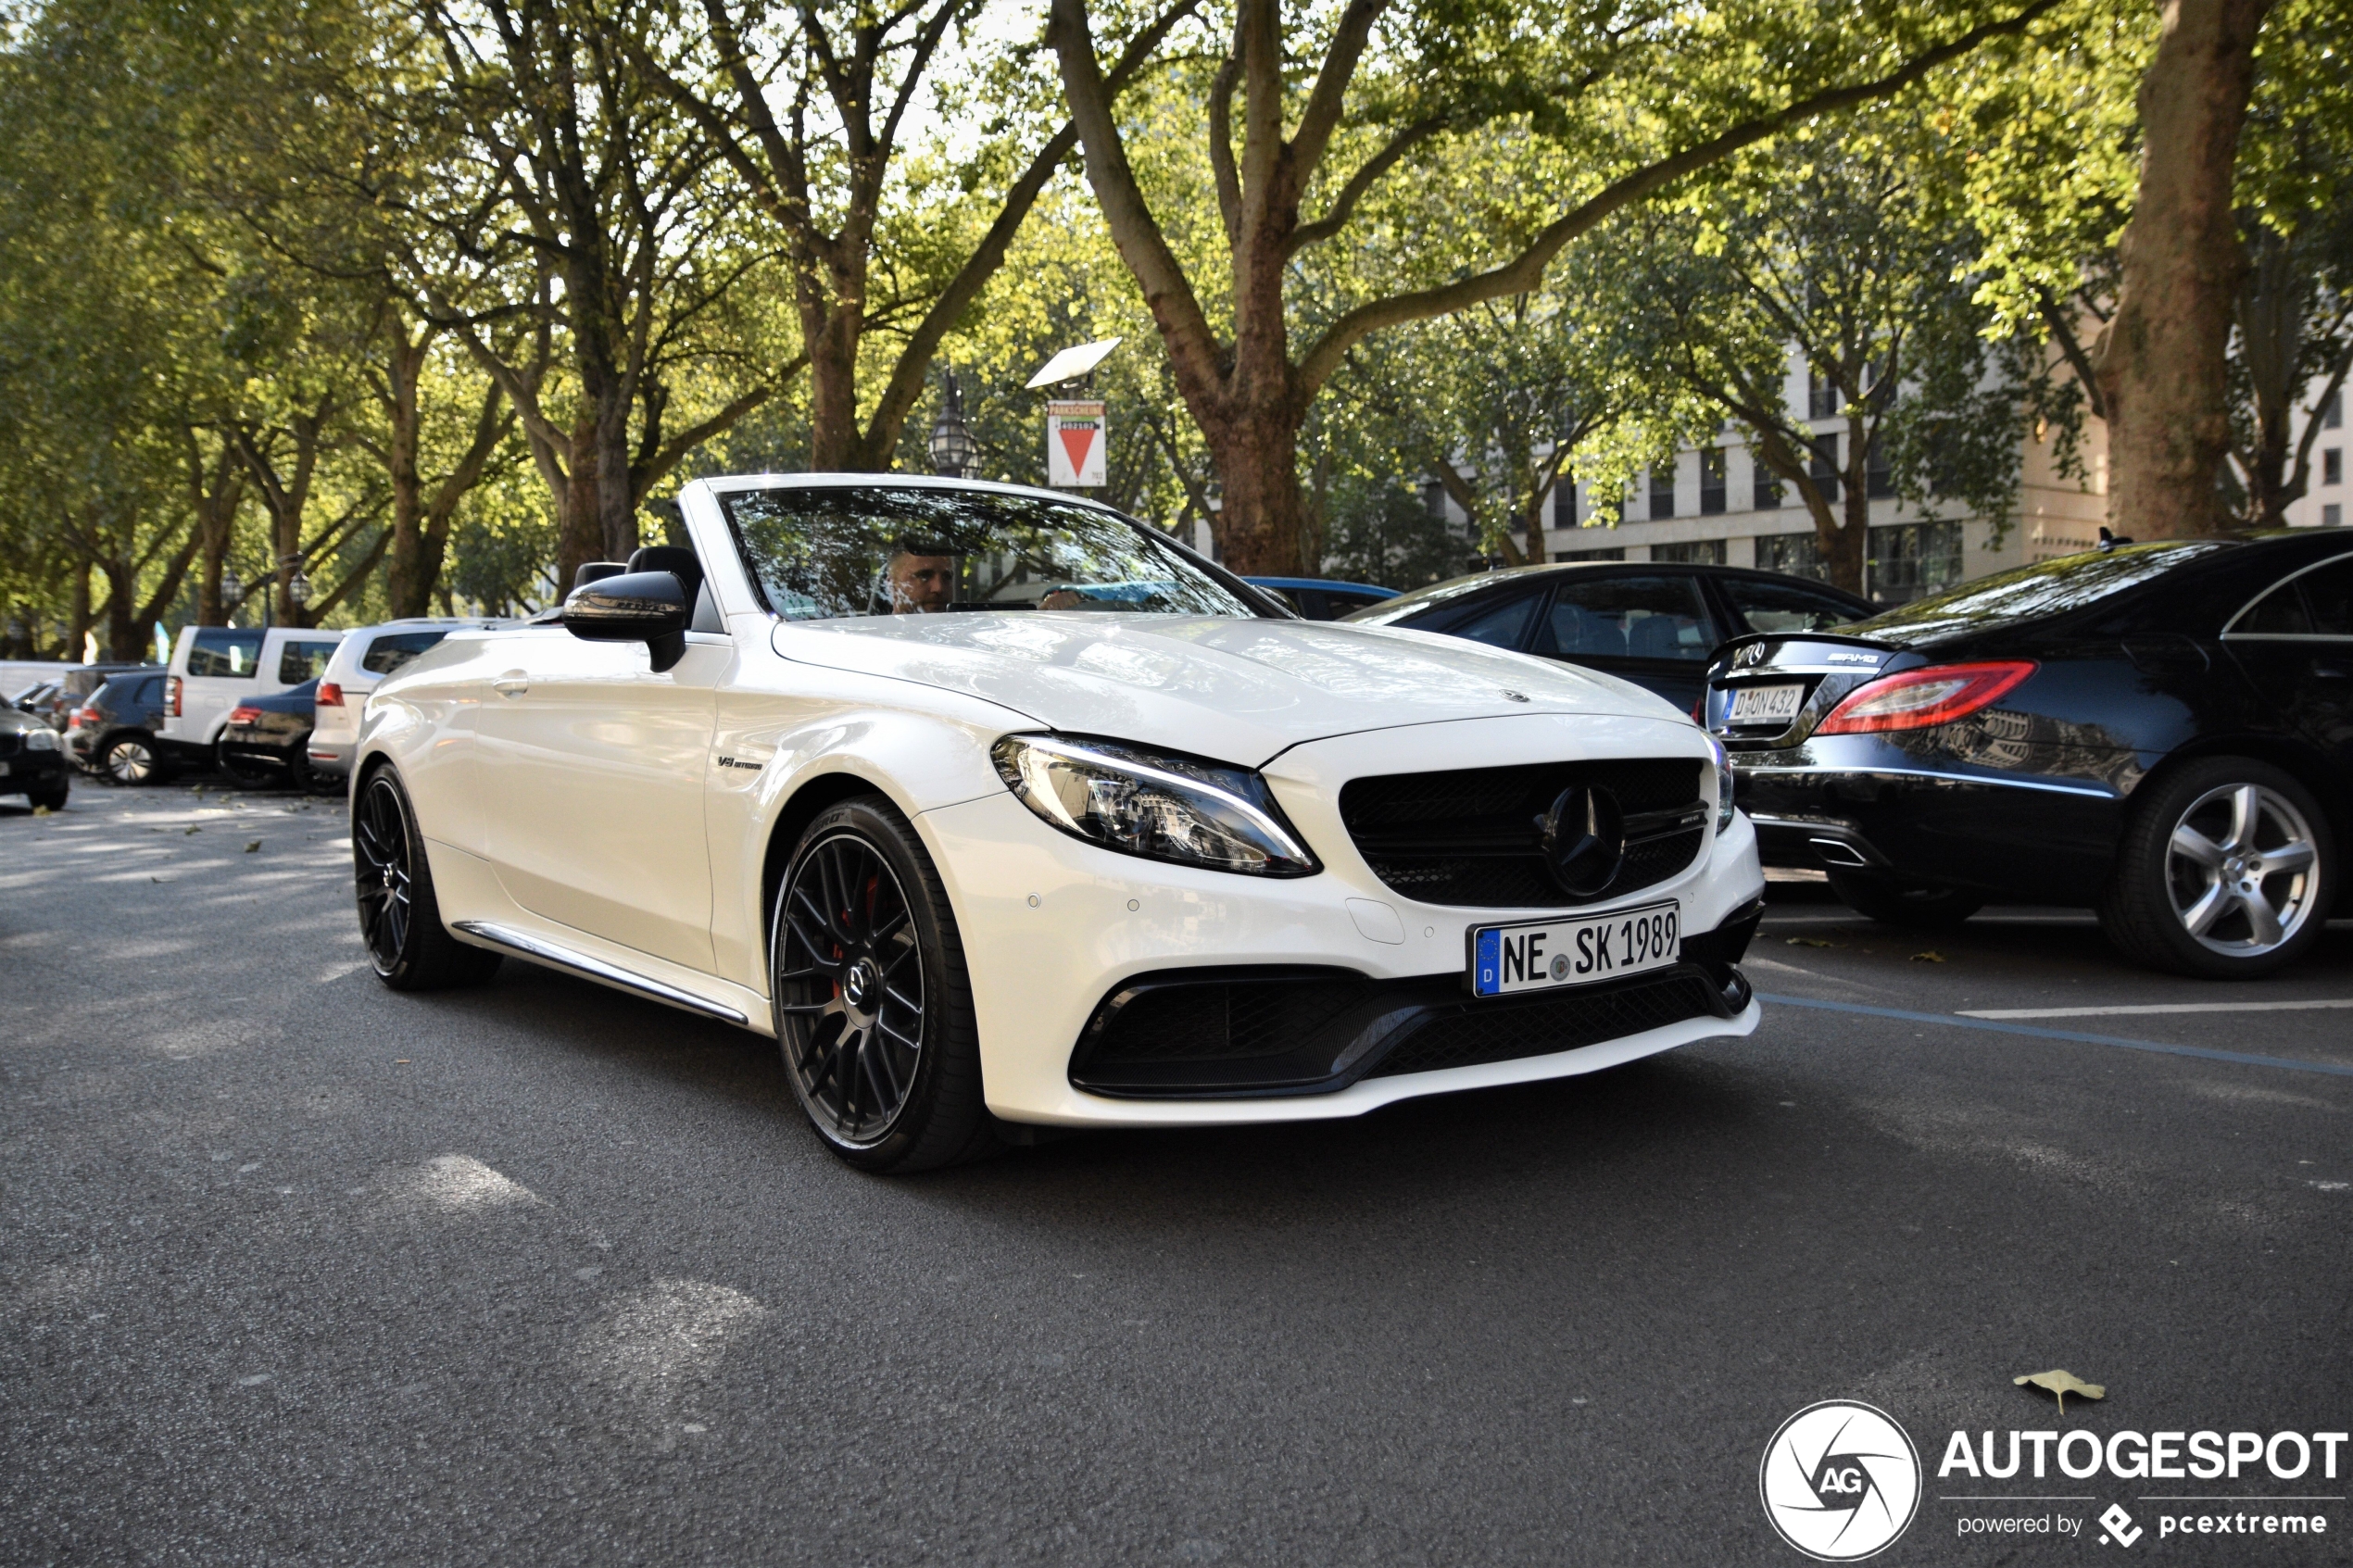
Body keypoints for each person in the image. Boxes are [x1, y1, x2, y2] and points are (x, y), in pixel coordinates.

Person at [884, 546, 956, 613]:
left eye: (947, 577)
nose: (939, 588)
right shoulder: (876, 625)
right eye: (924, 576)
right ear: (892, 586)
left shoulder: (963, 624)